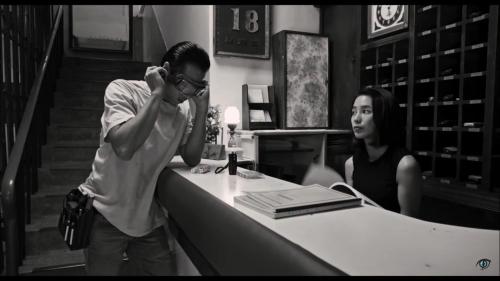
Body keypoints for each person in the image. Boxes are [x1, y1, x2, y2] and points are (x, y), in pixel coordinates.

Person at [78, 41, 211, 275]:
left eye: (196, 87)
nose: (186, 94)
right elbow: (125, 147)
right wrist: (157, 94)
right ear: (166, 70)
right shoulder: (123, 90)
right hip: (104, 214)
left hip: (146, 218)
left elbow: (191, 157)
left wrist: (201, 108)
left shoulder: (183, 111)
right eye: (183, 84)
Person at [344, 87, 422, 217]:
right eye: (353, 112)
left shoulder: (405, 166)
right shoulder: (350, 164)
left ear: (384, 115)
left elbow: (409, 223)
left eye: (365, 111)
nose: (356, 119)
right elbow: (353, 212)